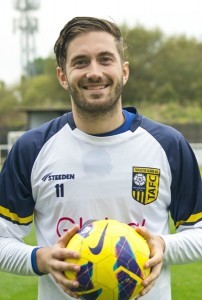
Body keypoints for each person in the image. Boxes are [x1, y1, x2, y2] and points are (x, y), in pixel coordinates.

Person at [0, 16, 202, 300]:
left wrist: (164, 246)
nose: (94, 72)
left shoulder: (168, 145)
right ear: (62, 75)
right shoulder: (32, 149)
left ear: (124, 71)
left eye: (105, 59)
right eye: (80, 62)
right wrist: (40, 259)